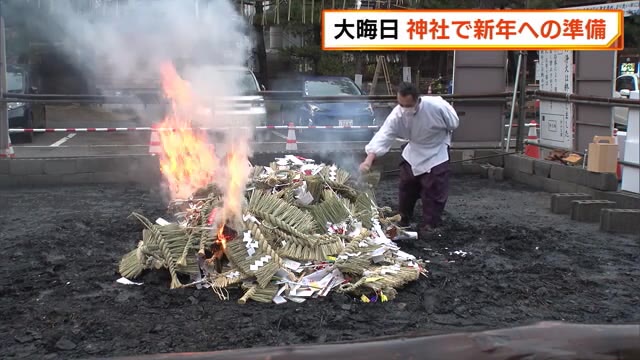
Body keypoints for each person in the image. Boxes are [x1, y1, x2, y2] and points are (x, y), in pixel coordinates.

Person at [359, 82, 459, 232]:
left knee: (433, 193)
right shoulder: (397, 114)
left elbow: (453, 124)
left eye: (409, 105)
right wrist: (368, 160)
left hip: (436, 150)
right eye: (401, 105)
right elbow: (384, 135)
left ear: (418, 100)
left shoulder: (437, 106)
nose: (405, 109)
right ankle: (403, 219)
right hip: (413, 150)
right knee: (406, 189)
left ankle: (430, 225)